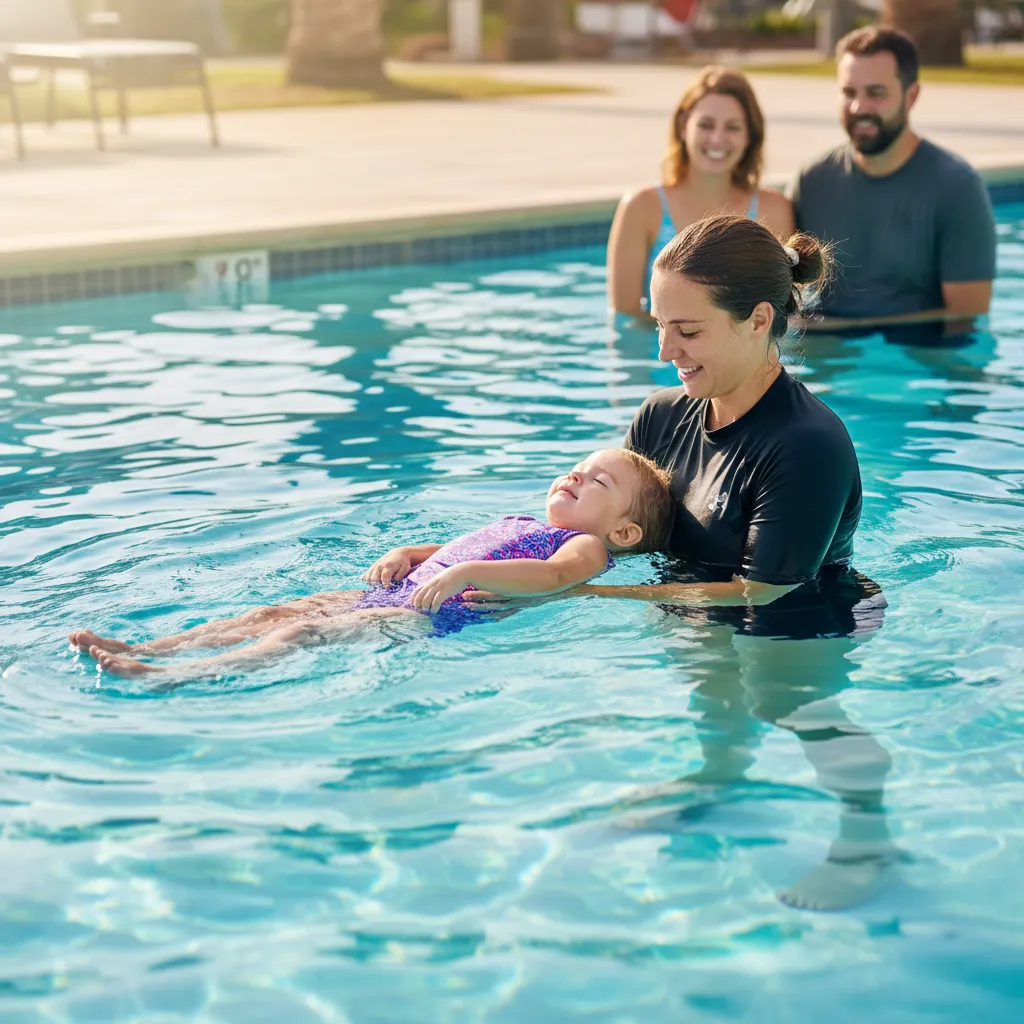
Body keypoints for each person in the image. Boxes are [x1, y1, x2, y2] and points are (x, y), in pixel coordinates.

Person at [473, 215, 898, 910]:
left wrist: (583, 600)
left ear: (758, 320)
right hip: (695, 597)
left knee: (784, 702)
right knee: (713, 692)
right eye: (661, 322)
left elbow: (765, 590)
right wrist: (466, 559)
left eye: (689, 330)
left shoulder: (806, 443)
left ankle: (867, 836)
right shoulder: (662, 418)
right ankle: (716, 777)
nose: (665, 347)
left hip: (803, 613)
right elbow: (605, 527)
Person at [68, 448, 674, 680]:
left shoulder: (589, 548)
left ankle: (175, 676)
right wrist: (405, 554)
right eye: (577, 466)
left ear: (622, 528)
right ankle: (156, 647)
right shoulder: (523, 525)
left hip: (429, 616)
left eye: (597, 481)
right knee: (275, 609)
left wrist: (460, 576)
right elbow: (441, 553)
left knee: (301, 633)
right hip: (401, 591)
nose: (575, 475)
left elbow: (553, 577)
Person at [789, 26, 996, 333]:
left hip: (917, 360)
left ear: (911, 96)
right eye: (849, 92)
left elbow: (966, 318)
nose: (859, 107)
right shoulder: (812, 180)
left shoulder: (958, 187)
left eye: (876, 93)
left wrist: (850, 331)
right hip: (830, 364)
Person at [607, 66, 794, 321]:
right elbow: (624, 320)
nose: (717, 139)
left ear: (750, 136)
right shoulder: (641, 208)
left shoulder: (773, 209)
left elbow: (785, 317)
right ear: (684, 127)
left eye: (733, 127)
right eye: (706, 125)